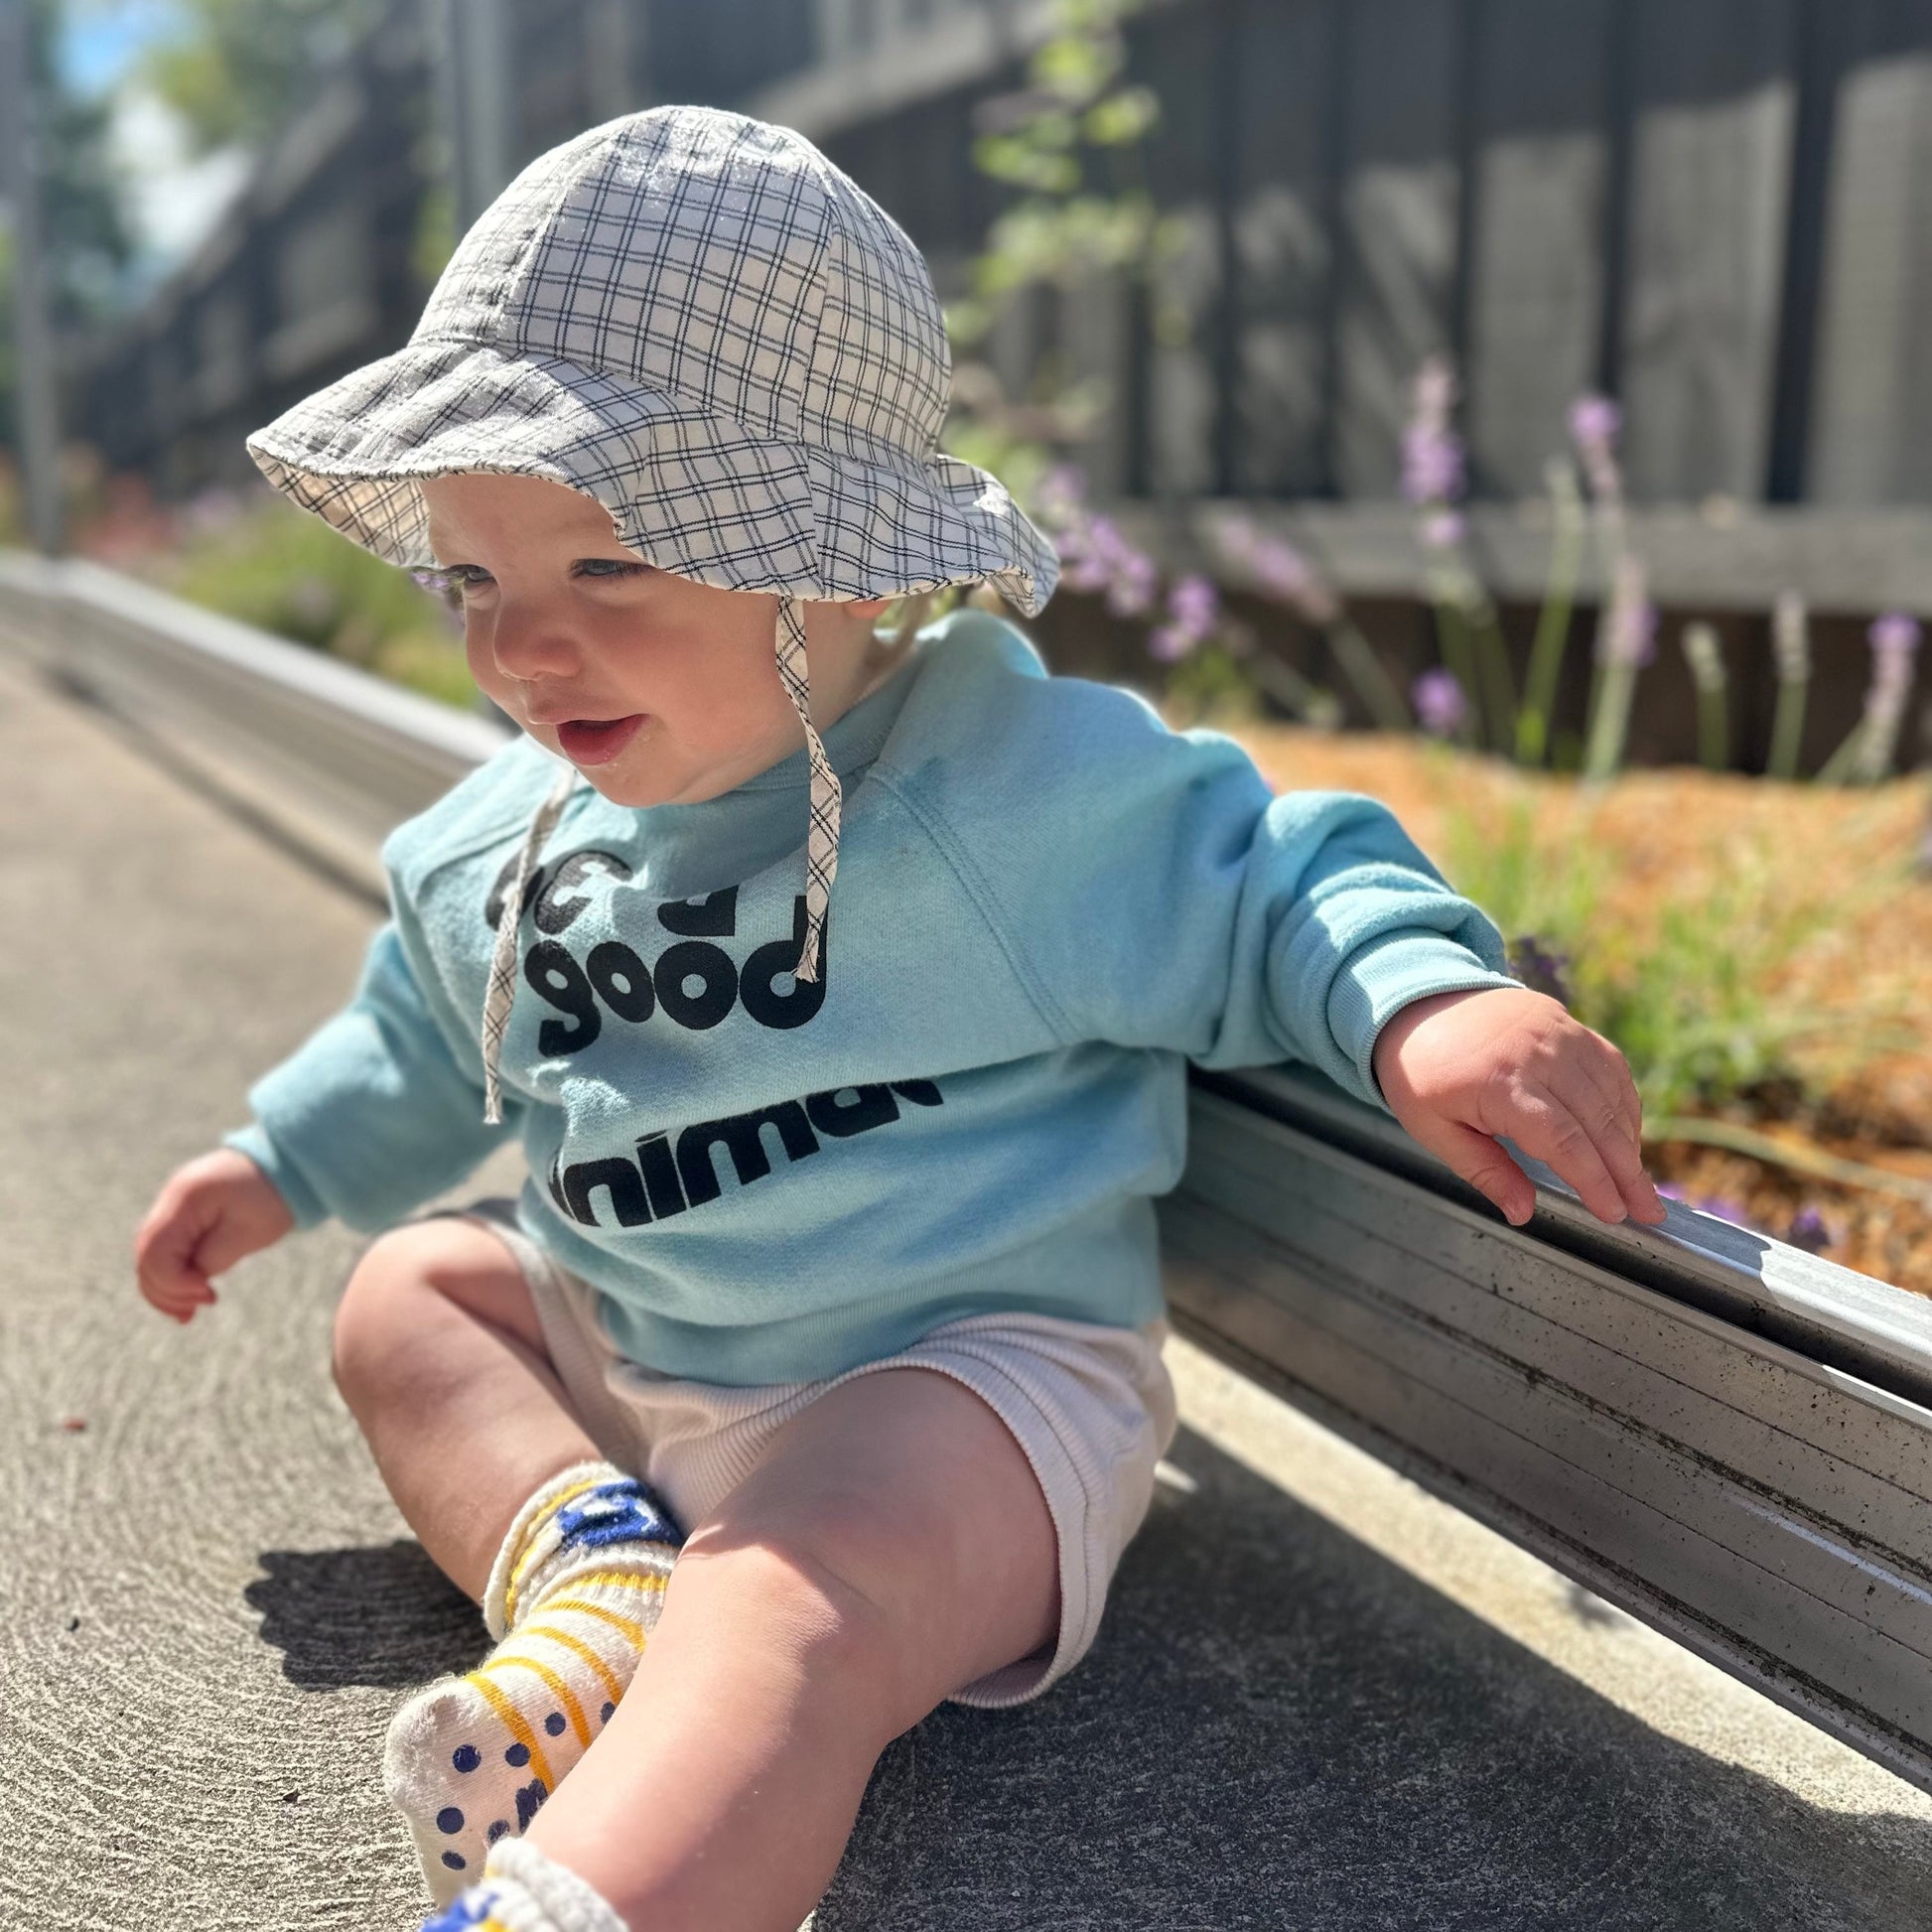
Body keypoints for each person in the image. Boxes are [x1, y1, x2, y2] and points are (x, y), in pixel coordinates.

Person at [131, 105, 1666, 1932]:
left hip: (961, 1389)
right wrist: (276, 1154)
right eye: (476, 579)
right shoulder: (503, 834)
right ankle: (590, 1568)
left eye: (607, 567)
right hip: (643, 1341)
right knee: (408, 1296)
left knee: (793, 1595)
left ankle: (577, 1905)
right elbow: (417, 1028)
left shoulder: (1001, 786)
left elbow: (1263, 871)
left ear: (843, 563)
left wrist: (1418, 994)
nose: (521, 650)